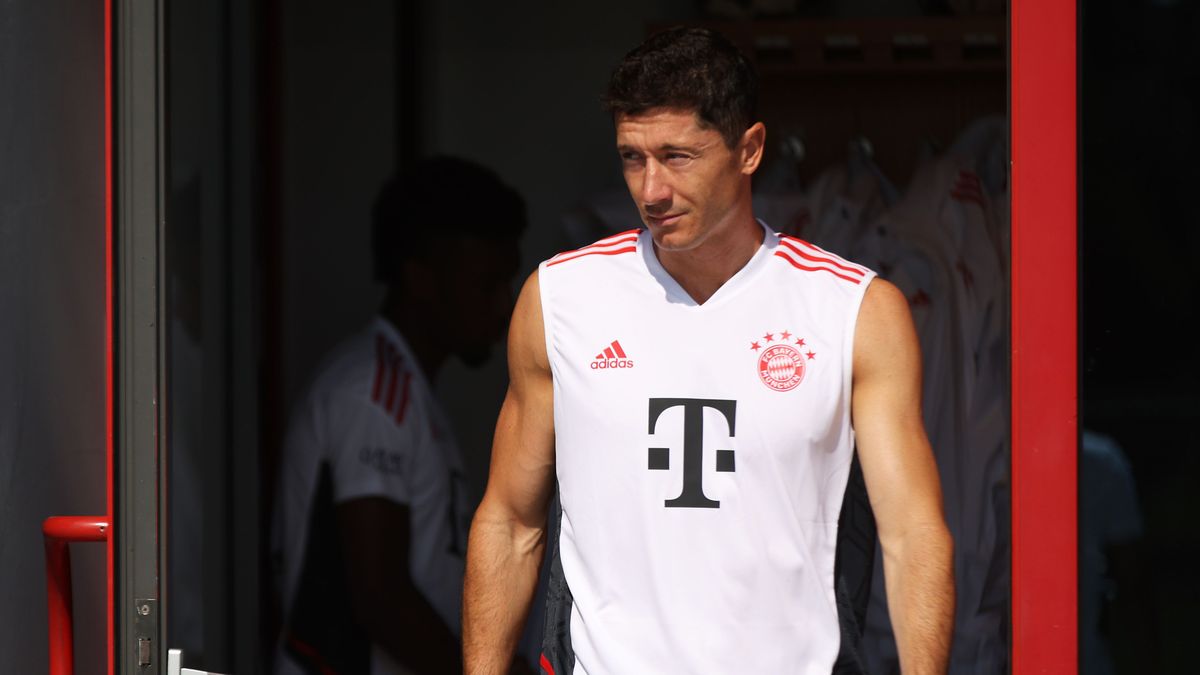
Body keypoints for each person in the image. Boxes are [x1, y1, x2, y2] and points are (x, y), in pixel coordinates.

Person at [463, 27, 954, 674]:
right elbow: (509, 520)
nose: (651, 189)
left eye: (677, 155)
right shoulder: (560, 299)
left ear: (749, 149)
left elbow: (911, 535)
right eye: (632, 158)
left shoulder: (854, 310)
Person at [272, 157, 526, 675]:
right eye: (487, 284)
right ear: (421, 279)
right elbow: (379, 595)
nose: (505, 306)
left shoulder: (406, 390)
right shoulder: (372, 389)